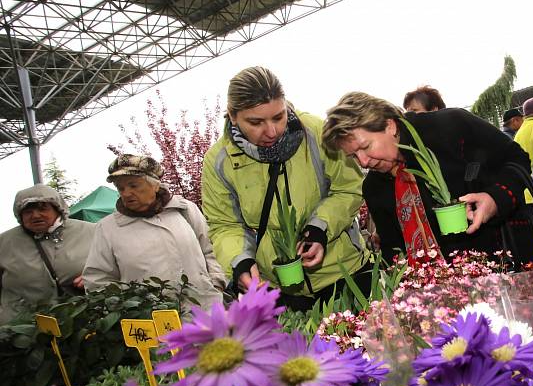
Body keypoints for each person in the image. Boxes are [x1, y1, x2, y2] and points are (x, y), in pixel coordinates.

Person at [202, 66, 369, 311]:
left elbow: (350, 188)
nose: (271, 131)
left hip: (346, 273)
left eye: (278, 117)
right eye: (255, 122)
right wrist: (239, 261)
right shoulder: (219, 161)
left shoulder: (316, 132)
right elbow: (224, 225)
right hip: (279, 290)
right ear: (232, 115)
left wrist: (320, 227)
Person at [322, 92, 533, 266]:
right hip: (442, 300)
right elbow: (394, 253)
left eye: (365, 147)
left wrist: (495, 198)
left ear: (390, 126)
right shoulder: (374, 187)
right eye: (353, 156)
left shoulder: (450, 127)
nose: (363, 162)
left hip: (510, 264)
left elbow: (516, 158)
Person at [83, 155, 224, 312]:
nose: (126, 193)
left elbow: (209, 251)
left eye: (133, 185)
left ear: (155, 185)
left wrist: (216, 284)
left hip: (207, 312)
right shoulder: (108, 228)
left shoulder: (184, 210)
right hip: (152, 324)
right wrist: (127, 312)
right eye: (120, 188)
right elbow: (97, 280)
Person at [0, 185, 95, 323]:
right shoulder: (4, 243)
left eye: (42, 208)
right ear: (20, 215)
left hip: (81, 323)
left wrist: (96, 277)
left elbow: (116, 269)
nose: (35, 215)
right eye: (28, 211)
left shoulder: (91, 232)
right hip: (21, 329)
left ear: (58, 209)